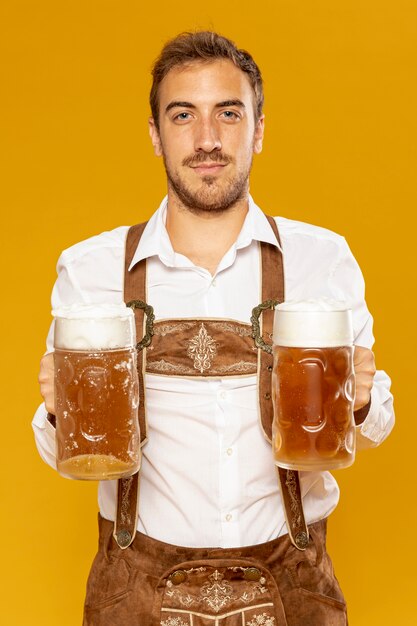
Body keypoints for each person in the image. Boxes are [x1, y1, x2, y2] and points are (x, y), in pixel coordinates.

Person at [33, 31, 394, 626]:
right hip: (134, 595)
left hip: (294, 589)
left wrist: (358, 400)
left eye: (229, 113)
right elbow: (59, 453)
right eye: (183, 116)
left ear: (258, 130)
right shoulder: (91, 269)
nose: (207, 140)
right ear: (155, 134)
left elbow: (374, 425)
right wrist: (55, 412)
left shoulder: (321, 258)